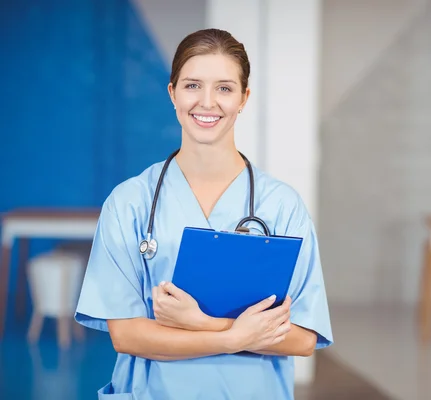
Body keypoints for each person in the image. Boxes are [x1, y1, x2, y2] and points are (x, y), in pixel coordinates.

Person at [74, 28, 333, 399]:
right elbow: (127, 335)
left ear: (244, 98)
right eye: (193, 85)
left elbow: (304, 338)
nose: (207, 102)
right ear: (172, 93)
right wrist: (236, 335)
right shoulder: (130, 202)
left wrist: (201, 323)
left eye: (224, 88)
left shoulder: (282, 206)